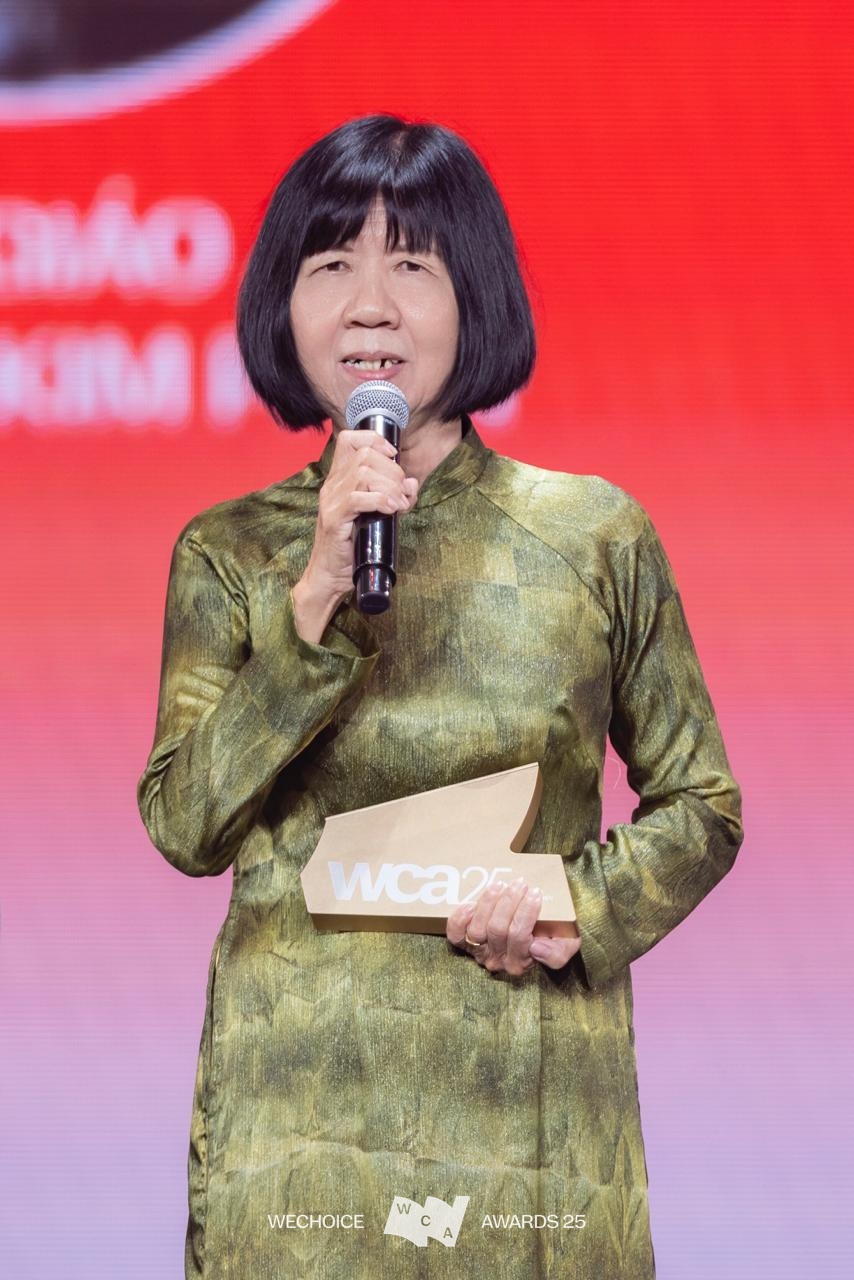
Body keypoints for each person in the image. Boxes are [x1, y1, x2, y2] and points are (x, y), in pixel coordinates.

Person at [137, 114, 743, 1280]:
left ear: (475, 297)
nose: (368, 306)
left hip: (525, 1117)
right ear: (283, 304)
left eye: (410, 265)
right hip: (296, 1131)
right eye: (331, 266)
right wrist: (312, 597)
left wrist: (570, 902)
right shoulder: (230, 551)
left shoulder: (591, 534)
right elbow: (184, 821)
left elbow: (701, 804)